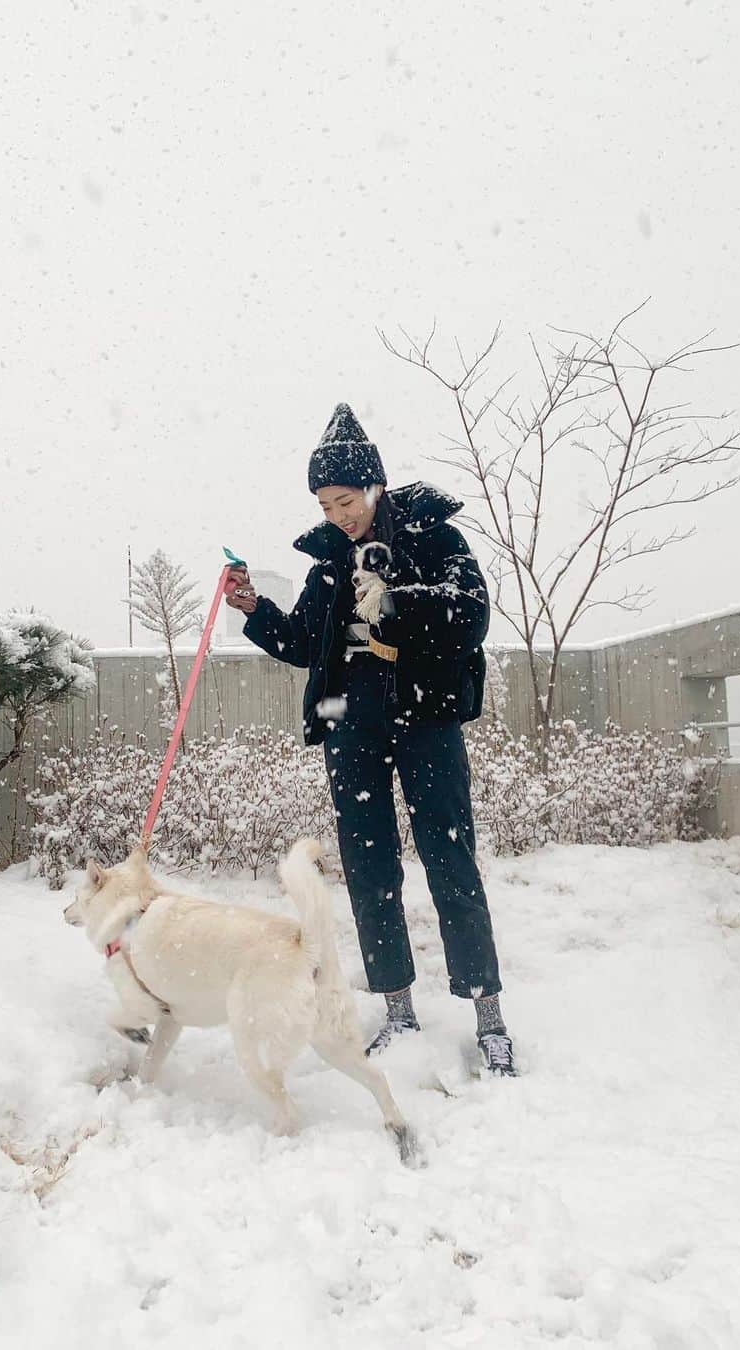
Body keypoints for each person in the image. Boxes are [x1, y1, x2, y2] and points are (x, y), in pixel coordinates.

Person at [224, 403, 516, 1076]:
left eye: (346, 499)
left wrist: (391, 604)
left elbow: (469, 616)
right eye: (325, 505)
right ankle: (398, 1008)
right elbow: (304, 644)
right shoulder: (328, 560)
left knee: (451, 860)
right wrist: (254, 609)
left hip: (427, 718)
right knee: (368, 867)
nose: (338, 515)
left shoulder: (433, 536)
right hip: (350, 724)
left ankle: (489, 1017)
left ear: (375, 486)